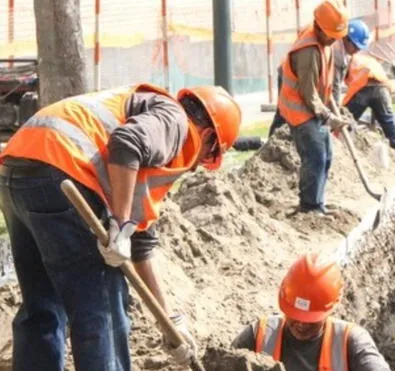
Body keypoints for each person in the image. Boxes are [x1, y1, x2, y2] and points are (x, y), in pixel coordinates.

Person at [0, 83, 242, 370]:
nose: (200, 165)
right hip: (60, 173)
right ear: (209, 136)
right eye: (208, 157)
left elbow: (139, 243)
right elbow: (126, 144)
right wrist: (120, 222)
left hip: (17, 172)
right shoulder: (174, 121)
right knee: (103, 308)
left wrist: (170, 322)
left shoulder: (149, 137)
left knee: (42, 305)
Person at [231, 253, 391, 371]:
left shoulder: (351, 341)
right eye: (294, 315)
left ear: (330, 308)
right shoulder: (258, 335)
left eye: (310, 319)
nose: (301, 323)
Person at [278, 0, 352, 216]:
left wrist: (331, 106)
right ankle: (309, 206)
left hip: (314, 108)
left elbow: (323, 85)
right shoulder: (308, 51)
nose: (333, 40)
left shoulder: (325, 43)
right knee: (316, 157)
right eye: (331, 35)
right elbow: (308, 93)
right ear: (319, 27)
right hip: (301, 112)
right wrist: (328, 117)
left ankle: (318, 202)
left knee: (327, 156)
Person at [341, 19, 395, 152]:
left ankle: (342, 146)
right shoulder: (364, 59)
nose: (357, 49)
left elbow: (350, 85)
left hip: (363, 88)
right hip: (382, 88)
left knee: (346, 119)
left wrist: (341, 107)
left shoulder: (348, 59)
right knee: (388, 120)